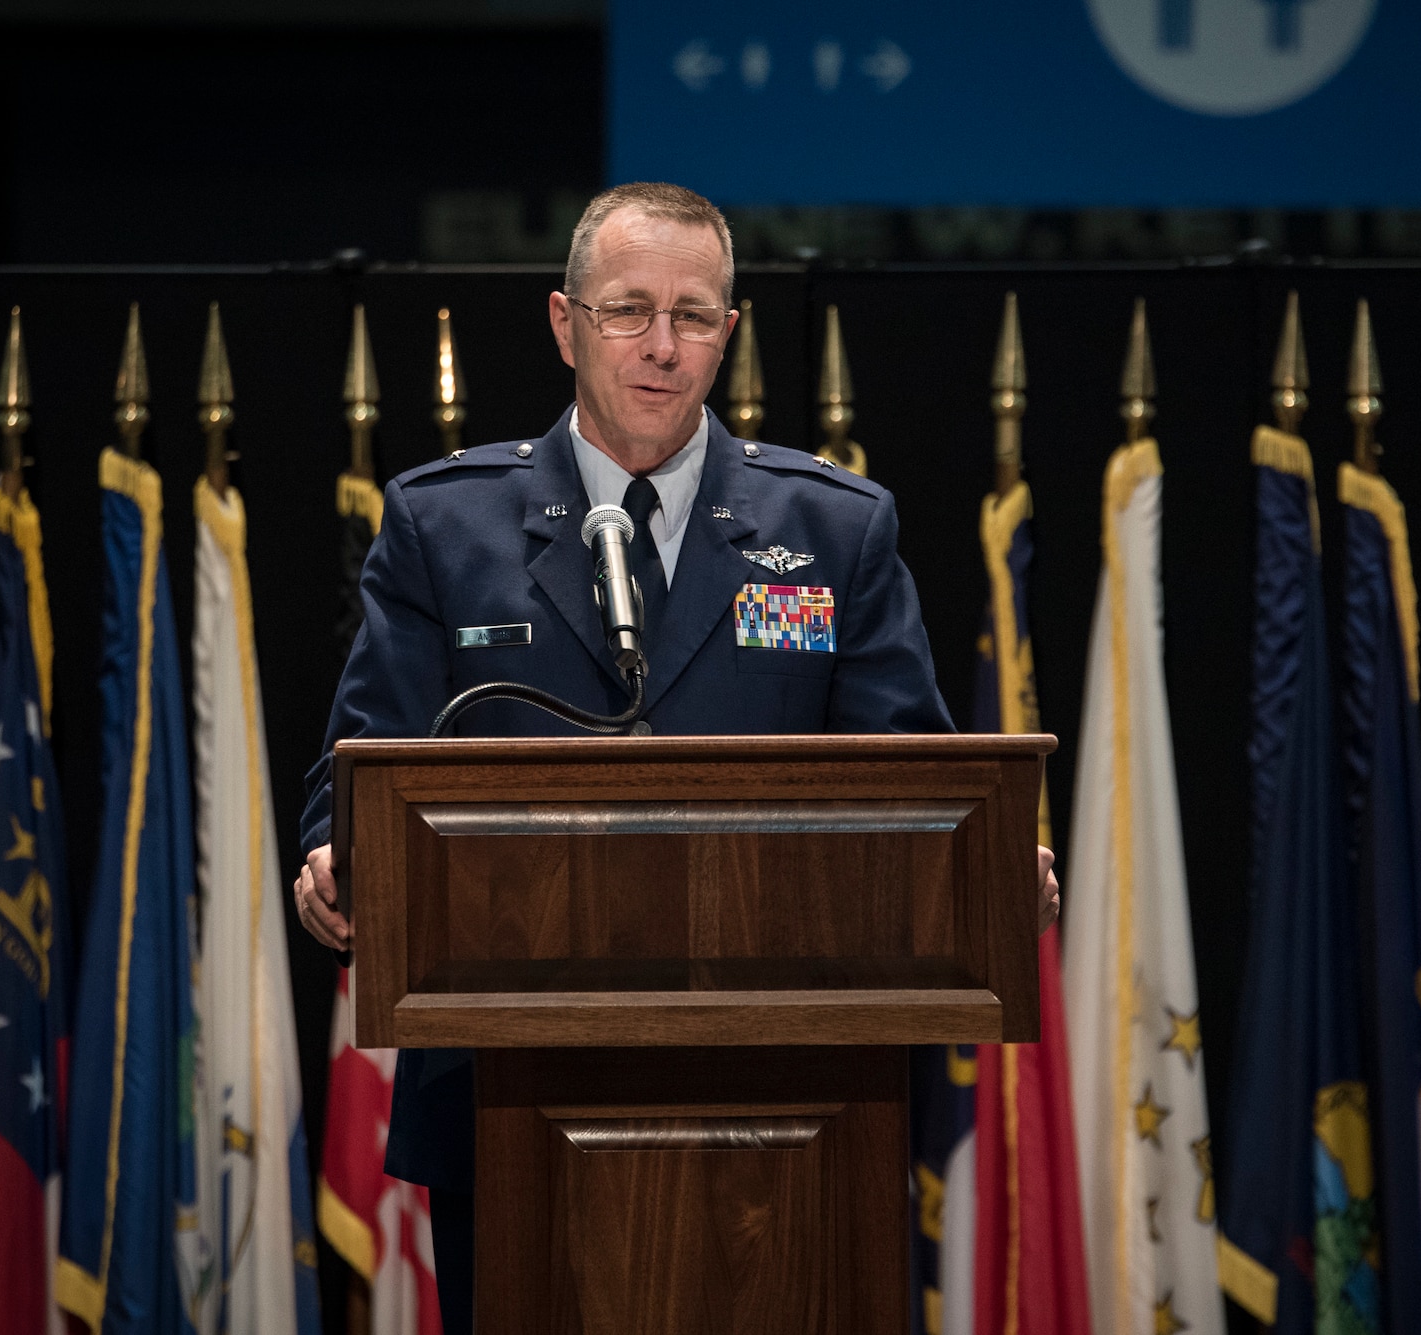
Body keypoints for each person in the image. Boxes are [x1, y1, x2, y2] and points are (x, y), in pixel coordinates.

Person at [291, 181, 1059, 1330]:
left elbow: (913, 780)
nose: (661, 346)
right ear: (564, 323)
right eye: (626, 311)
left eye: (693, 316)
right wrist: (330, 859)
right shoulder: (442, 528)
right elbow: (359, 772)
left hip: (796, 1104)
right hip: (509, 1095)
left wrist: (986, 864)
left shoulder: (833, 530)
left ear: (730, 334)